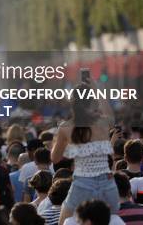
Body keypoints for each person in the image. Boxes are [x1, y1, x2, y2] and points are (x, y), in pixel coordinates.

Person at [51, 85, 119, 224]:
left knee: (64, 221)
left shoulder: (66, 127)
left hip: (82, 183)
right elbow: (111, 116)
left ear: (73, 103)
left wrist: (57, 141)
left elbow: (55, 158)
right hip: (108, 182)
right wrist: (96, 87)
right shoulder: (103, 122)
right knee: (112, 221)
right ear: (92, 102)